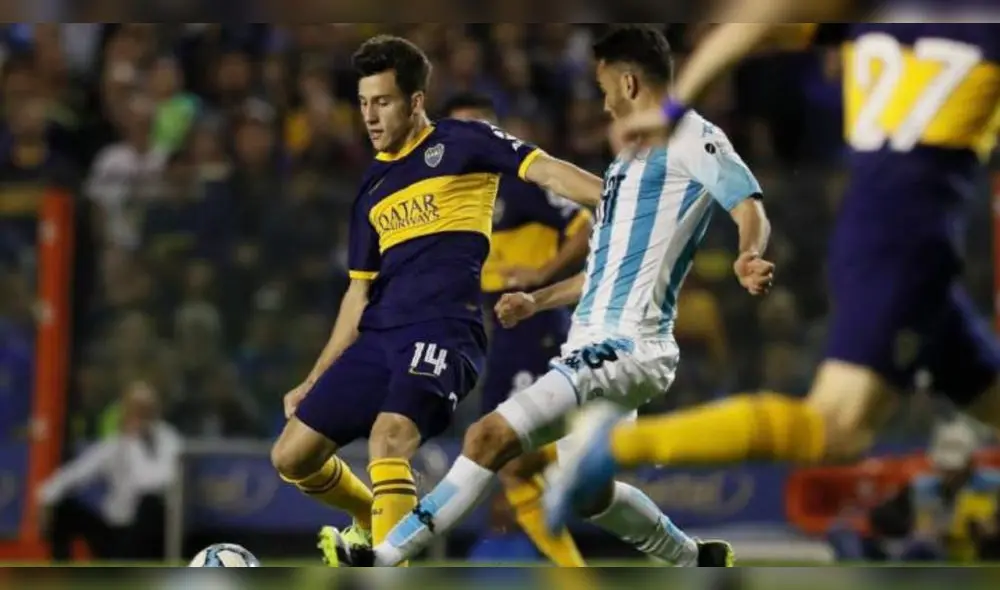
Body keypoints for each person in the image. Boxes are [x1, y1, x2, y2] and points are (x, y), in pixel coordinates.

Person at [322, 25, 773, 568]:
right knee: (589, 495)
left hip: (626, 345)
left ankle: (384, 559)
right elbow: (603, 270)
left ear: (628, 82)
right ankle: (696, 560)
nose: (603, 102)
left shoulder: (691, 135)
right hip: (592, 340)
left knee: (489, 437)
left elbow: (747, 203)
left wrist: (748, 253)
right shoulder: (628, 165)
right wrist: (538, 299)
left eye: (604, 86)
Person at [547, 9, 1000, 526]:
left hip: (880, 223)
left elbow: (757, 17)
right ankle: (617, 444)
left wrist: (675, 104)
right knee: (837, 429)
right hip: (910, 235)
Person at [267, 34, 604, 563]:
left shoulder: (463, 141)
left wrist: (616, 198)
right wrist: (314, 376)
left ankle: (387, 563)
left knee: (389, 436)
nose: (370, 116)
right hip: (378, 337)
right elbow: (358, 293)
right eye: (363, 103)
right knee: (291, 456)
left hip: (443, 330)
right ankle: (368, 518)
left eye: (383, 102)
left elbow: (546, 169)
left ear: (415, 101)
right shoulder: (372, 187)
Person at [442, 92, 592, 566]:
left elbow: (588, 223)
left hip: (536, 325)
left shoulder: (523, 180)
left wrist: (541, 273)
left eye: (476, 128)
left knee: (510, 452)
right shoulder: (458, 196)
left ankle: (543, 554)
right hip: (497, 332)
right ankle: (534, 556)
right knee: (500, 452)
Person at [38, 381, 181, 561]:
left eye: (145, 409)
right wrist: (47, 497)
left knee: (150, 503)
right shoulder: (115, 443)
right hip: (115, 526)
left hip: (148, 532)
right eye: (134, 408)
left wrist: (136, 443)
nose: (139, 415)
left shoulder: (168, 438)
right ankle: (63, 572)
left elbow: (152, 482)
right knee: (62, 507)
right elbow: (77, 472)